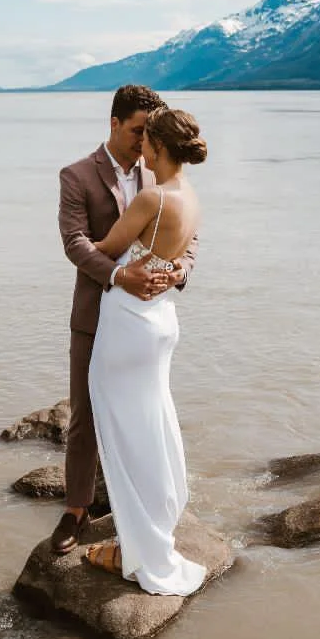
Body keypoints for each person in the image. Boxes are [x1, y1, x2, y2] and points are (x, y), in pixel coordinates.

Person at [51, 85, 197, 558]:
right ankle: (77, 508)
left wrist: (179, 270)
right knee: (84, 416)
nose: (143, 141)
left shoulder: (161, 176)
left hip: (144, 319)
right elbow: (74, 242)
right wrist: (117, 275)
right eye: (137, 130)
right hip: (96, 315)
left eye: (149, 133)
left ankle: (138, 505)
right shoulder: (77, 176)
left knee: (145, 412)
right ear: (114, 123)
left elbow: (190, 237)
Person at [83, 105, 208, 595]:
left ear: (157, 147)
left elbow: (108, 249)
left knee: (123, 433)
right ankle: (154, 526)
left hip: (129, 322)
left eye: (146, 142)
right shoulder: (190, 196)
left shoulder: (152, 199)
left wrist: (78, 240)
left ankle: (140, 549)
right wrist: (171, 271)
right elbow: (179, 258)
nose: (141, 149)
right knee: (152, 423)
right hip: (160, 321)